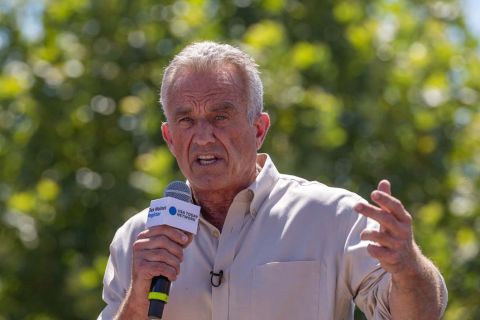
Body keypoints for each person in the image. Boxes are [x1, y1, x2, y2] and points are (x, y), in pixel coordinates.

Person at [98, 41, 447, 320]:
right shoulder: (138, 238)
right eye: (186, 120)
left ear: (259, 129)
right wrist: (139, 298)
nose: (203, 137)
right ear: (170, 138)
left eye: (220, 116)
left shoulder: (332, 216)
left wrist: (408, 267)